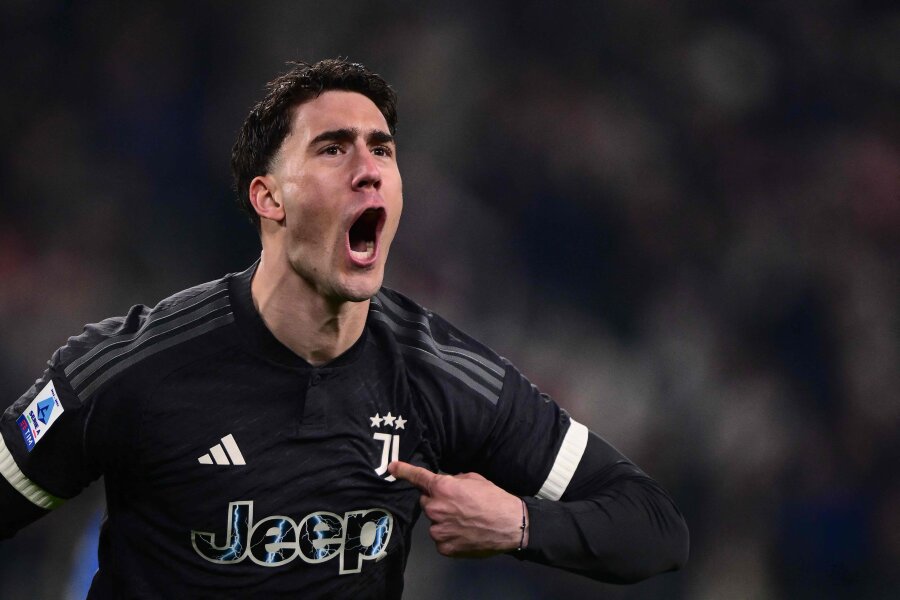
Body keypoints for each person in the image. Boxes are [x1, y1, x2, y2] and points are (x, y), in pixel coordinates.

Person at [0, 59, 688, 598]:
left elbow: (653, 526)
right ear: (269, 198)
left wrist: (520, 524)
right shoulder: (133, 367)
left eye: (382, 151)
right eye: (333, 150)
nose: (369, 171)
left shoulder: (438, 375)